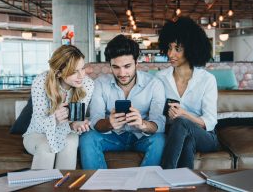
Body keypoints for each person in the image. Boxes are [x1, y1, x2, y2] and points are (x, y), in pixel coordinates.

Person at [80, 34, 166, 169]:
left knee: (160, 140)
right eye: (116, 67)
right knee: (88, 138)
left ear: (136, 63)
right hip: (113, 137)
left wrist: (142, 124)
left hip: (141, 138)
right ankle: (98, 186)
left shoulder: (154, 84)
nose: (122, 73)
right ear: (110, 65)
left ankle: (145, 185)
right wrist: (109, 123)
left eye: (127, 66)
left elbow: (159, 124)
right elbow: (95, 120)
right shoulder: (100, 84)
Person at [156, 17, 221, 169]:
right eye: (169, 48)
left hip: (205, 137)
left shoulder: (207, 80)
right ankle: (185, 184)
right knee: (187, 141)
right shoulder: (160, 78)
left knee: (182, 123)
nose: (171, 54)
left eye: (177, 49)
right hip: (175, 135)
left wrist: (184, 115)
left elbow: (210, 121)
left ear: (191, 49)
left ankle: (166, 173)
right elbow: (156, 115)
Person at [23, 45, 94, 170]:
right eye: (73, 71)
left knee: (70, 143)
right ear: (59, 72)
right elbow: (38, 123)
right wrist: (54, 119)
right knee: (46, 146)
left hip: (67, 131)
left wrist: (77, 124)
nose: (81, 76)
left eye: (82, 68)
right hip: (38, 133)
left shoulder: (87, 84)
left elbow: (76, 120)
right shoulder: (41, 81)